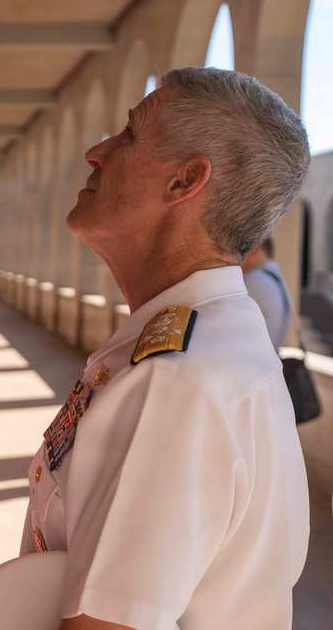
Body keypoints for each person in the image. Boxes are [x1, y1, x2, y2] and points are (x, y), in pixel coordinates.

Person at [20, 67, 311, 630]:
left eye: (128, 135)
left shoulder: (175, 379)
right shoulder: (200, 346)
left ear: (184, 182)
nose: (95, 152)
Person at [241, 237, 292, 348]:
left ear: (255, 249)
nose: (236, 258)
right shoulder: (274, 278)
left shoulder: (255, 279)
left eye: (240, 250)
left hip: (253, 360)